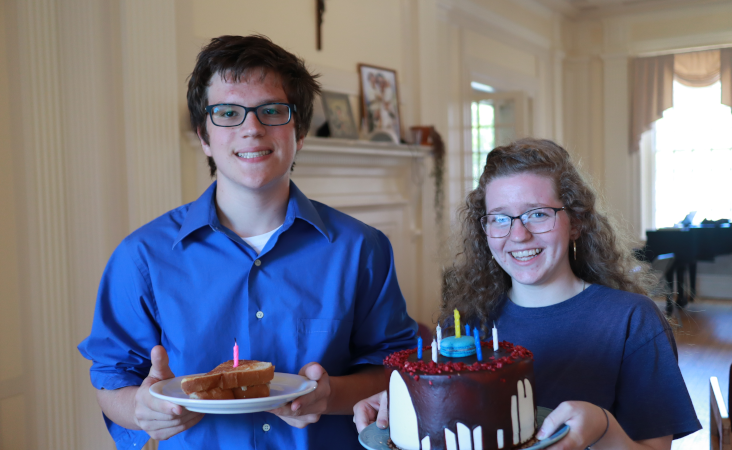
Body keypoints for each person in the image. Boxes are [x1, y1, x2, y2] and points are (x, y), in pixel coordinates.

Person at [78, 35, 417, 450]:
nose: (251, 128)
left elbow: (394, 369)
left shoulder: (362, 248)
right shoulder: (142, 257)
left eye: (272, 111)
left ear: (300, 132)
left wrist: (330, 396)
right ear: (204, 135)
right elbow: (112, 378)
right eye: (227, 113)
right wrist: (140, 409)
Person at [353, 138, 701, 449]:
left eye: (538, 214)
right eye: (500, 218)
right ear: (484, 229)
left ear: (576, 222)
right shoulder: (468, 323)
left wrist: (602, 429)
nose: (518, 235)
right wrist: (406, 406)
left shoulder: (630, 320)